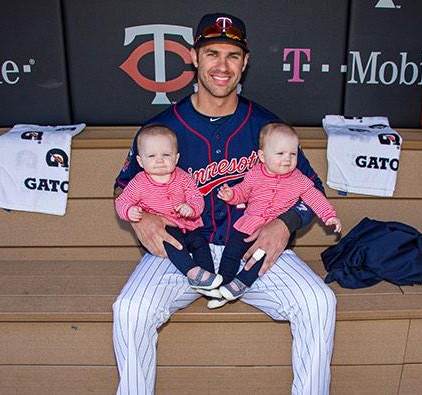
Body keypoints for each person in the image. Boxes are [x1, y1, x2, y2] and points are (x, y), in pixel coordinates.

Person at [112, 12, 336, 394]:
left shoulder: (266, 126)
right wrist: (141, 219)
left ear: (245, 63)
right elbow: (122, 189)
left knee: (319, 302)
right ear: (195, 58)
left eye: (233, 55)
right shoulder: (163, 128)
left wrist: (284, 224)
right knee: (131, 310)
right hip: (179, 249)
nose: (222, 65)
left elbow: (310, 192)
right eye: (212, 53)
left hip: (252, 248)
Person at [212, 121, 342, 306]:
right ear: (263, 156)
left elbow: (315, 198)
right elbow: (243, 192)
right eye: (280, 154)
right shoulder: (254, 174)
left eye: (293, 154)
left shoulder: (300, 180)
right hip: (249, 223)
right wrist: (231, 195)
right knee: (231, 252)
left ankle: (240, 284)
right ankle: (223, 285)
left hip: (272, 231)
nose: (287, 159)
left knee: (261, 258)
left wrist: (329, 215)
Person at [114, 124, 222, 291]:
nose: (159, 160)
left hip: (188, 224)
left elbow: (196, 197)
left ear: (176, 158)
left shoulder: (183, 178)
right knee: (173, 244)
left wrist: (191, 208)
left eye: (166, 154)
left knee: (200, 243)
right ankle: (192, 272)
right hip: (164, 226)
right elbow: (122, 200)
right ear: (140, 161)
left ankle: (208, 276)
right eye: (151, 156)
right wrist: (129, 211)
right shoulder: (139, 182)